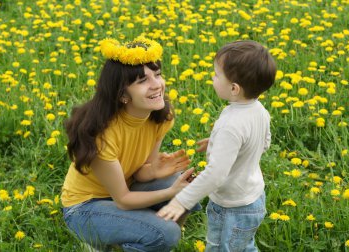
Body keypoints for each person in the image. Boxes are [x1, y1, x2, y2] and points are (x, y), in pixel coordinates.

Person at [61, 36, 196, 252]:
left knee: (185, 190)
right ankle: (104, 239)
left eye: (157, 75)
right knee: (167, 231)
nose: (157, 85)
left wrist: (153, 171)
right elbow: (123, 200)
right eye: (142, 81)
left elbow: (139, 173)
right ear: (123, 95)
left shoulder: (159, 117)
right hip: (85, 208)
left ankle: (148, 239)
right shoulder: (101, 135)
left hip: (126, 187)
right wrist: (169, 192)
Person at [157, 40, 277, 251]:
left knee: (222, 248)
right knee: (243, 246)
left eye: (216, 74)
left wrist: (181, 201)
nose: (213, 78)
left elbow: (215, 175)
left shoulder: (230, 125)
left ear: (234, 88)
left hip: (233, 207)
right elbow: (263, 143)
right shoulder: (259, 111)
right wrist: (217, 143)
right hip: (253, 197)